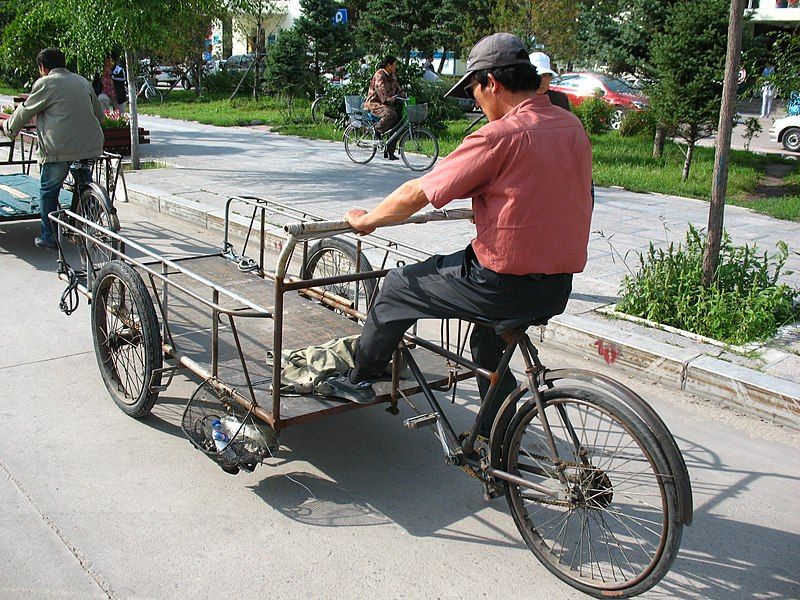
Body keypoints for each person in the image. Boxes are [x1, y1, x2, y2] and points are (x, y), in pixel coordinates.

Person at [326, 33, 593, 439]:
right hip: (557, 285)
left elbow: (421, 191)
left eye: (474, 90)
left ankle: (359, 377)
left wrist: (369, 220)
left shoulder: (499, 135)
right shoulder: (570, 125)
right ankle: (494, 434)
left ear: (492, 83)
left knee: (398, 286)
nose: (476, 101)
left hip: (501, 283)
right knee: (487, 343)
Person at [0, 48, 104, 249]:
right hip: (91, 144)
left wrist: (8, 128)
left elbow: (26, 110)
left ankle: (49, 237)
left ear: (42, 67)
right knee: (81, 174)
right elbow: (99, 116)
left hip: (59, 148)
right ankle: (90, 205)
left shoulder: (46, 82)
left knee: (49, 190)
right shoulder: (82, 81)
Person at [364, 56, 402, 160]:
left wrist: (404, 96)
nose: (396, 67)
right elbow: (381, 90)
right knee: (391, 114)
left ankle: (390, 151)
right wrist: (388, 99)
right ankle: (377, 130)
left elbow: (398, 88)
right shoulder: (379, 75)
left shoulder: (392, 76)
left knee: (397, 123)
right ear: (389, 65)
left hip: (386, 105)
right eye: (394, 65)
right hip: (374, 104)